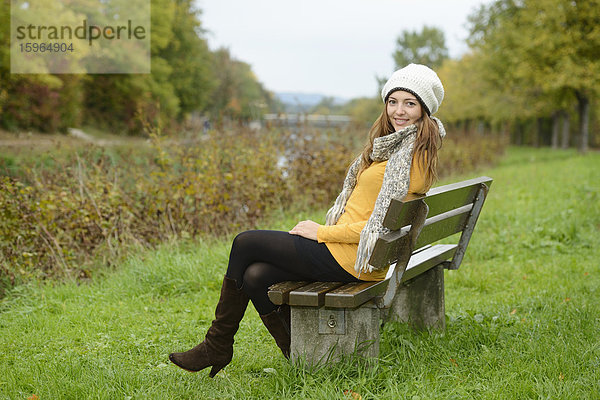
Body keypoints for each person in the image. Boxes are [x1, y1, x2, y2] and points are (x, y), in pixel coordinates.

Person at [169, 63, 446, 377]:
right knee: (256, 275)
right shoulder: (401, 149)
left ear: (424, 111)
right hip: (357, 255)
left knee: (245, 242)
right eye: (393, 101)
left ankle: (217, 344)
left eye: (410, 104)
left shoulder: (408, 158)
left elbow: (379, 227)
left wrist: (322, 232)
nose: (399, 111)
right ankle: (301, 356)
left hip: (352, 258)